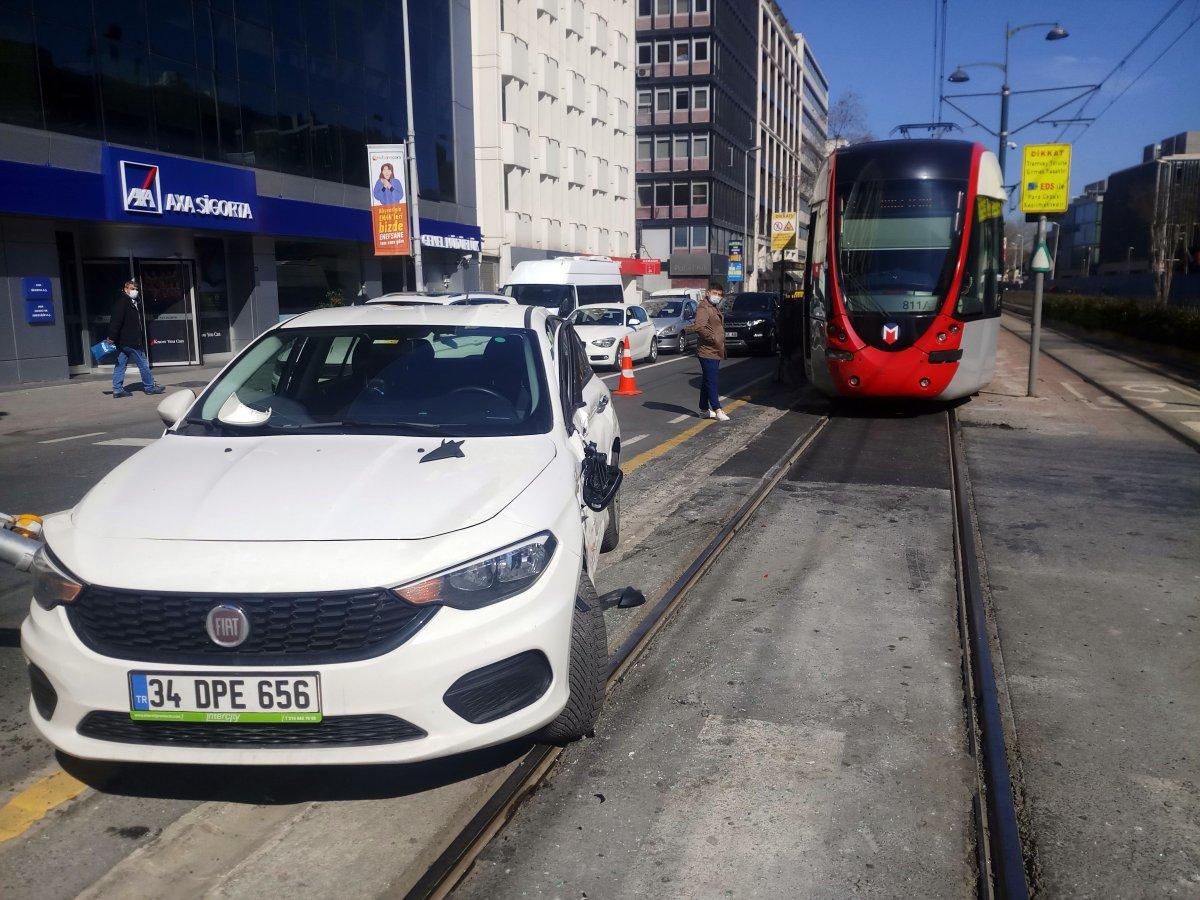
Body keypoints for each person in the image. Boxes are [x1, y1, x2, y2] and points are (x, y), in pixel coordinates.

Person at [107, 280, 163, 398]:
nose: (135, 291)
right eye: (132, 288)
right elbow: (116, 321)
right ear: (125, 289)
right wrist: (112, 337)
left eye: (136, 289)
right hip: (131, 341)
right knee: (143, 364)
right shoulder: (123, 302)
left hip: (125, 341)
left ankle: (117, 389)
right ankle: (150, 387)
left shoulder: (133, 302)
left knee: (120, 365)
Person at [685, 282, 728, 421]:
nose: (717, 296)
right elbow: (699, 327)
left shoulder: (713, 307)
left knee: (707, 380)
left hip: (715, 350)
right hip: (708, 350)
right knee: (712, 380)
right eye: (715, 293)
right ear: (708, 293)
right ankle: (717, 409)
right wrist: (713, 338)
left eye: (719, 294)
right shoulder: (704, 307)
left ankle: (704, 409)